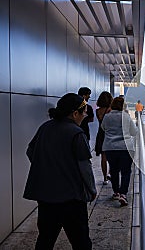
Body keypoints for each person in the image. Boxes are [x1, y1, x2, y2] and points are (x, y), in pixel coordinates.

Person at [23, 93, 97, 250]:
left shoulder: (45, 127)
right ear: (74, 113)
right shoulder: (76, 133)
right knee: (81, 241)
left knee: (45, 239)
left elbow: (30, 151)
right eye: (83, 112)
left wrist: (47, 168)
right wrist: (92, 189)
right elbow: (85, 167)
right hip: (72, 198)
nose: (85, 115)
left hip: (46, 198)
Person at [102, 97, 137, 206]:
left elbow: (103, 128)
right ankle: (123, 194)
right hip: (126, 148)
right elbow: (134, 132)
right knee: (126, 172)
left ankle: (116, 192)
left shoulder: (107, 117)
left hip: (110, 147)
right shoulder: (126, 116)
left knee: (114, 170)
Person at [94, 91, 113, 185]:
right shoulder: (110, 110)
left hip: (100, 134)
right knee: (112, 156)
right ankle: (110, 173)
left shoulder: (98, 111)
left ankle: (105, 178)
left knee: (103, 157)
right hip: (109, 134)